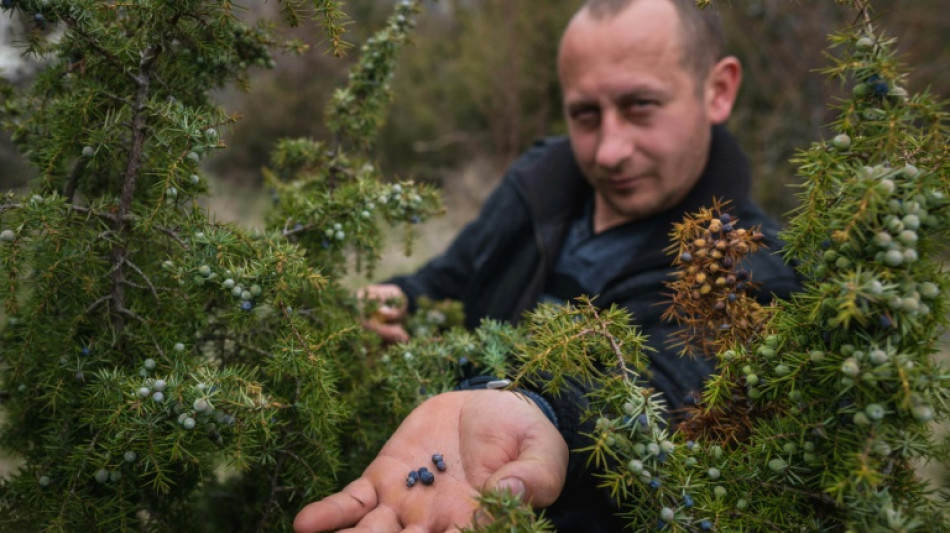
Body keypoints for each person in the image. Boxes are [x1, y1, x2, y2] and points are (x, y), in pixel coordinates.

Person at [294, 0, 802, 531]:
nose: (609, 151)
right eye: (585, 114)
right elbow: (452, 280)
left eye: (641, 106)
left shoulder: (750, 272)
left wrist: (536, 408)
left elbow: (665, 387)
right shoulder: (540, 182)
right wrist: (395, 299)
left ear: (717, 90)